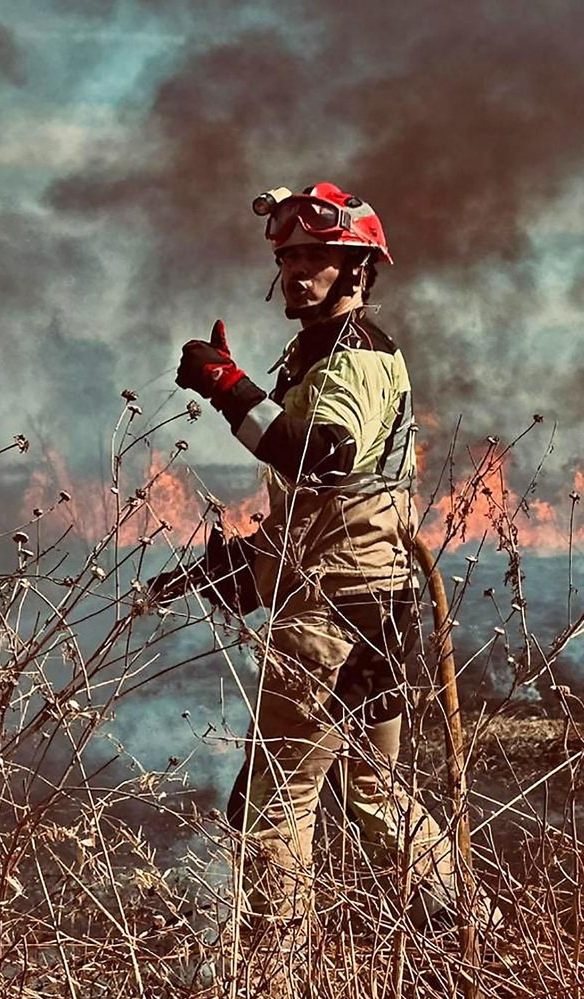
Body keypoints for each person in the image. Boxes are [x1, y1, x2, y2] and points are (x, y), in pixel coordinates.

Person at [158, 182, 461, 955]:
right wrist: (226, 573)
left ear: (358, 268)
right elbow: (333, 516)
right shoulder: (332, 354)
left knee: (273, 807)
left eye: (318, 258)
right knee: (374, 793)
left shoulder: (350, 361)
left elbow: (324, 459)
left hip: (333, 619)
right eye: (289, 257)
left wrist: (229, 389)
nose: (298, 272)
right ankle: (469, 941)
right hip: (378, 604)